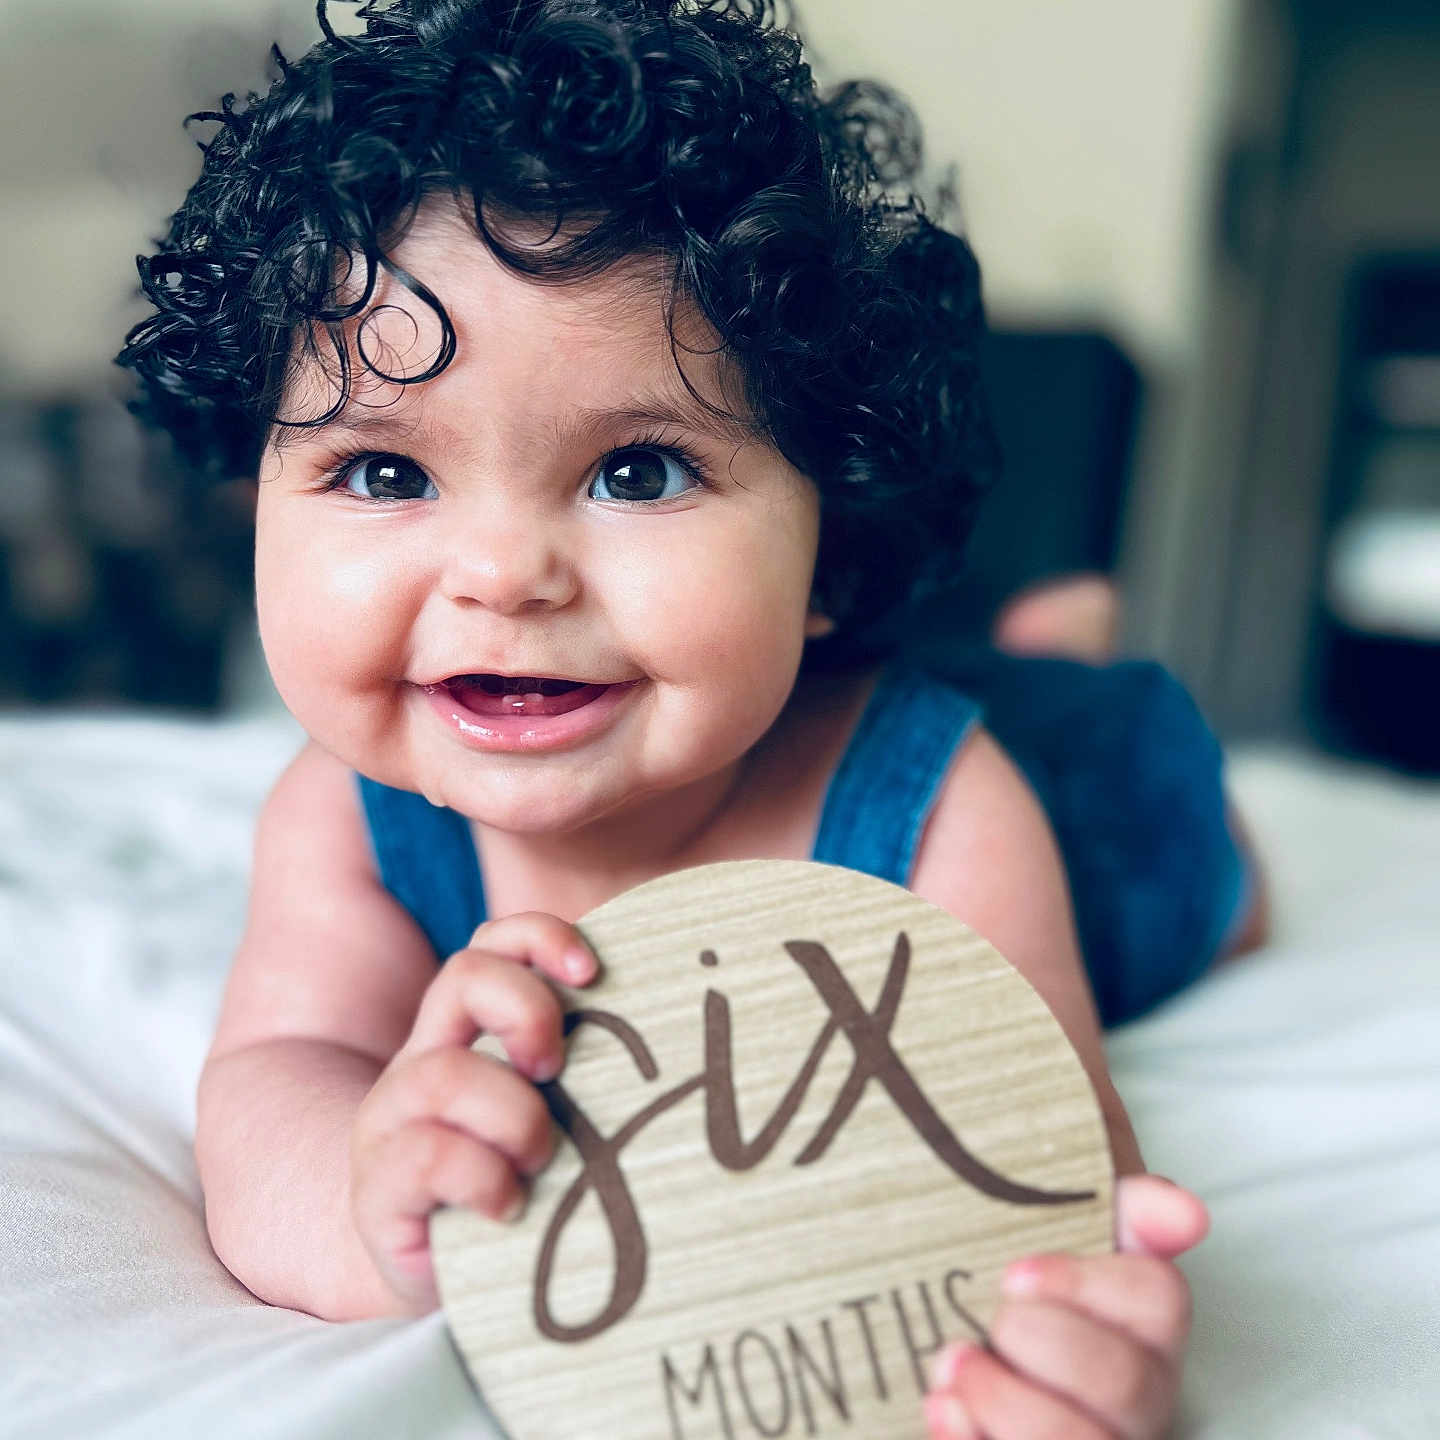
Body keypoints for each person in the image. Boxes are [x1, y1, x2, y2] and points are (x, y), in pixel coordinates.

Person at [116, 3, 1263, 1434]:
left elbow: (1035, 1134)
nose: (503, 577)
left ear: (831, 543)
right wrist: (376, 1201)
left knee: (1179, 841)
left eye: (639, 472)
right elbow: (278, 1081)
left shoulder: (948, 804)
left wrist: (1057, 1342)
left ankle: (1053, 648)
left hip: (1088, 806)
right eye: (387, 476)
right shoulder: (346, 818)